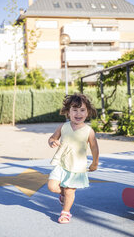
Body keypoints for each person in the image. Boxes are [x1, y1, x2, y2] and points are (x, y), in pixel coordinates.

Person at [48, 93, 99, 224]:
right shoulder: (63, 127)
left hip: (77, 166)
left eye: (82, 110)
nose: (78, 113)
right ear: (68, 112)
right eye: (74, 110)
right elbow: (52, 138)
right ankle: (63, 195)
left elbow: (94, 148)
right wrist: (52, 141)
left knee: (70, 191)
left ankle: (65, 213)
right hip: (61, 163)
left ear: (87, 113)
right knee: (52, 187)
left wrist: (95, 163)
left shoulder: (89, 131)